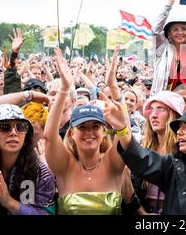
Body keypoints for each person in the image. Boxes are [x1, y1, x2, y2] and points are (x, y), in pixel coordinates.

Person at [43, 47, 128, 215]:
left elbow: (125, 132)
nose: (89, 132)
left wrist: (113, 87)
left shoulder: (113, 163)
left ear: (104, 131)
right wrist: (64, 89)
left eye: (95, 126)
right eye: (82, 127)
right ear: (72, 133)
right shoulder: (64, 166)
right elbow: (49, 137)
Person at [132, 90, 185, 215]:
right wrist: (143, 213)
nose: (153, 115)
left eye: (160, 109)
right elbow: (133, 189)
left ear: (174, 114)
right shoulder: (143, 147)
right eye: (151, 109)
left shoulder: (184, 150)